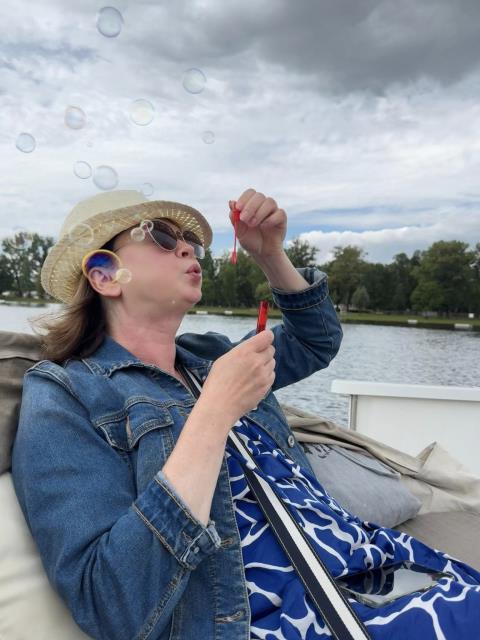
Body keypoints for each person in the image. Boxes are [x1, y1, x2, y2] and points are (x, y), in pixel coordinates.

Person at [11, 188, 480, 640]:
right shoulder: (67, 392)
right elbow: (111, 603)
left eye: (190, 242)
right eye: (161, 237)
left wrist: (270, 254)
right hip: (283, 619)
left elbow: (316, 340)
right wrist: (214, 412)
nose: (187, 249)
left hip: (373, 568)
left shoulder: (212, 355)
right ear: (104, 275)